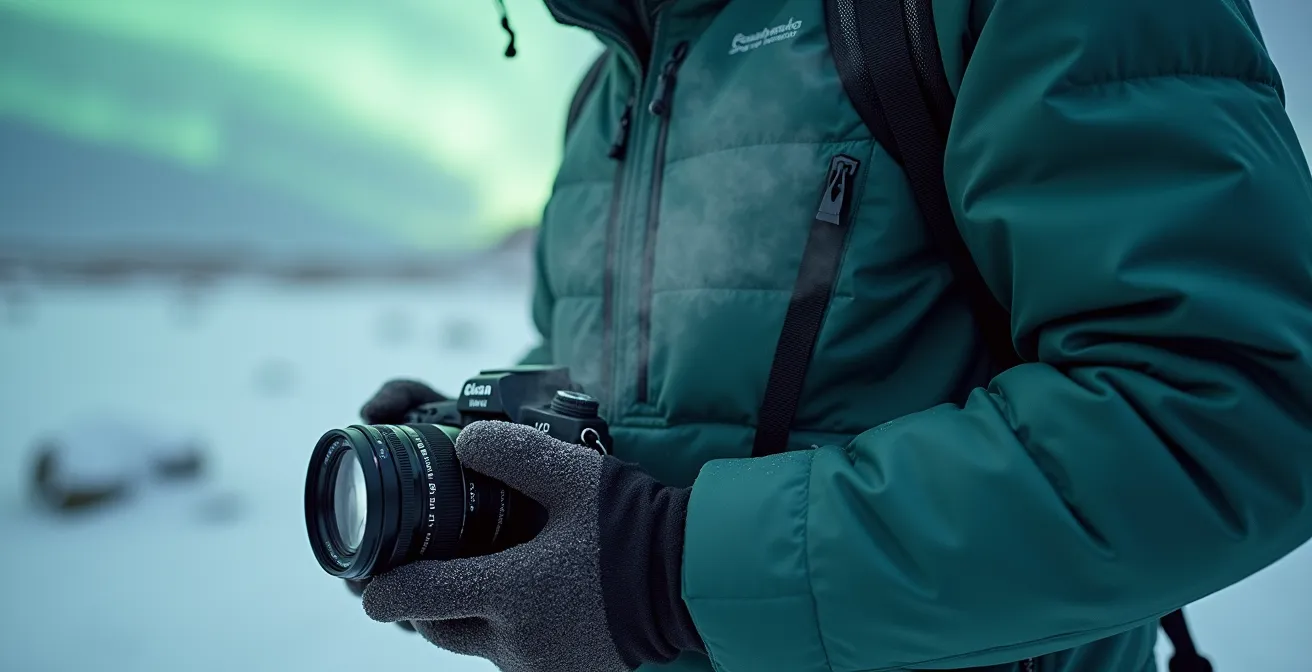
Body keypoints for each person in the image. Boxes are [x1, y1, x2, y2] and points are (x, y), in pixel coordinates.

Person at [355, 0, 1312, 670]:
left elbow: (1226, 409)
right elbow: (628, 381)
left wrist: (674, 569)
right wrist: (486, 475)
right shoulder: (607, 88)